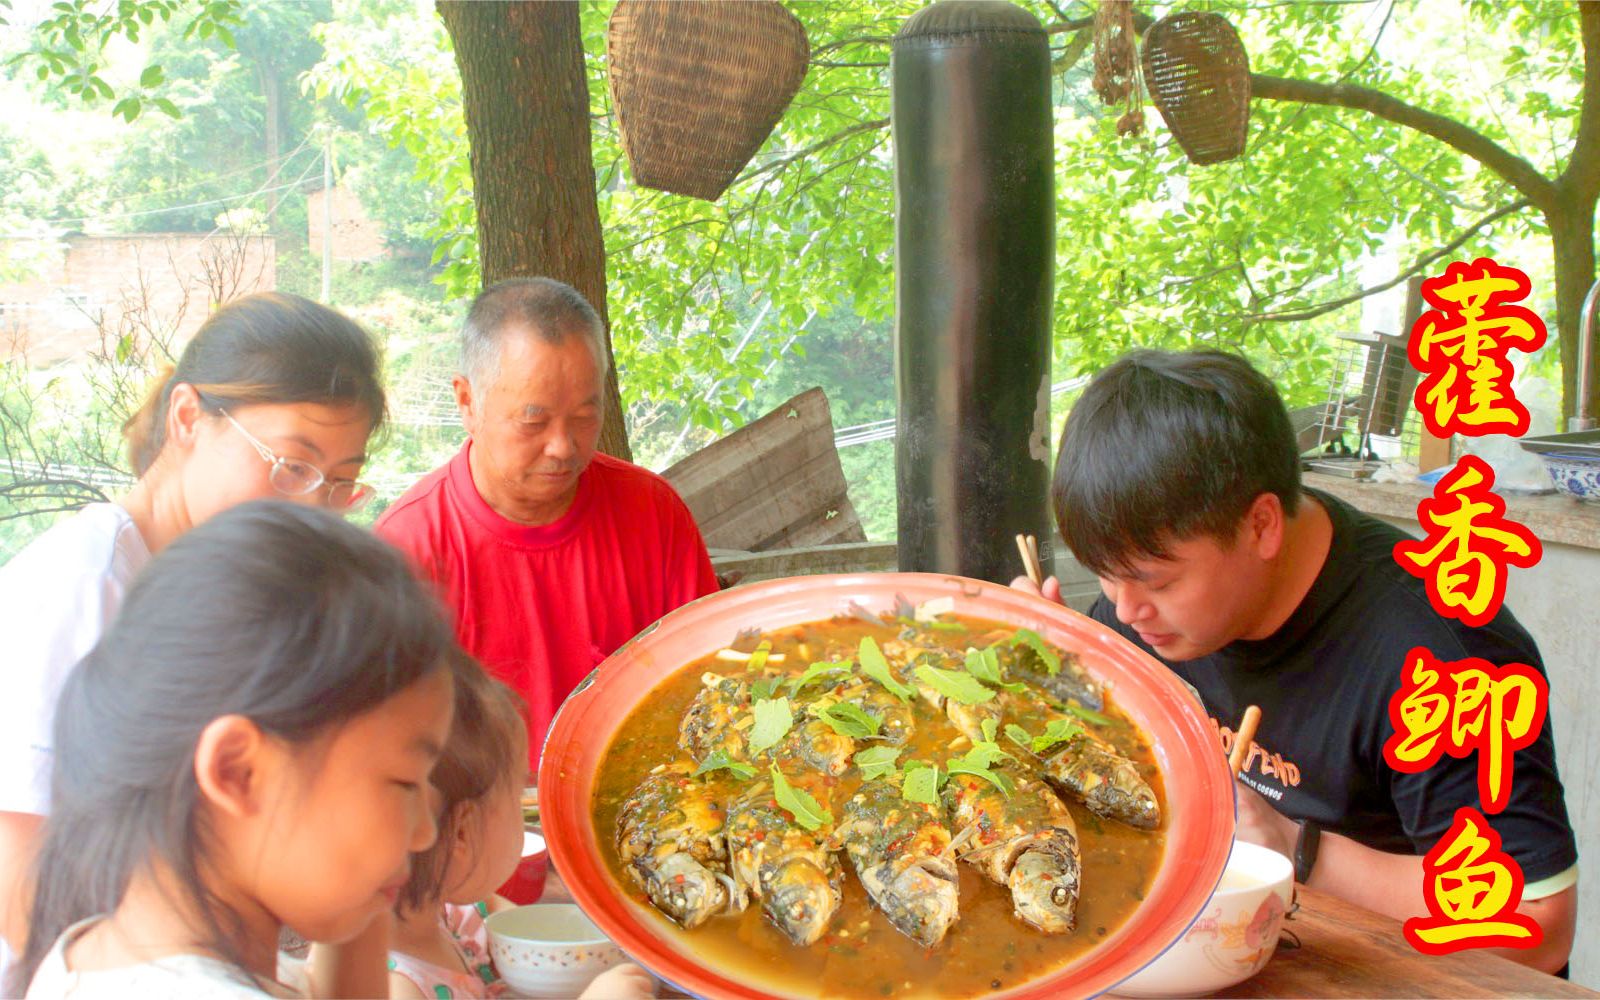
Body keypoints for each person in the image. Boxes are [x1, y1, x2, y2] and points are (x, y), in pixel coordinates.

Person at [1014, 348, 1578, 974]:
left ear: (1260, 525)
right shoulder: (1153, 601)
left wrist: (1295, 846)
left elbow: (1538, 925)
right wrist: (1048, 670)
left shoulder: (1442, 650)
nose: (1124, 612)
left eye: (1156, 583)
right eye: (1107, 579)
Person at [0, 292, 387, 977]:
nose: (312, 506)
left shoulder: (225, 585)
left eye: (339, 483)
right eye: (292, 465)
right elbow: (17, 874)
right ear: (187, 418)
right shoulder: (86, 583)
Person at [10, 501, 465, 998]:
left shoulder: (100, 951)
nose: (425, 832)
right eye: (405, 781)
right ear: (239, 771)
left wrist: (365, 886)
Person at [376, 277, 718, 776]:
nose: (563, 446)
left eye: (584, 415)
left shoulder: (651, 511)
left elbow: (704, 682)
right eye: (533, 422)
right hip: (479, 834)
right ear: (467, 401)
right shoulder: (407, 551)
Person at [337, 661, 653, 1000]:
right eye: (517, 796)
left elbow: (505, 917)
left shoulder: (446, 911)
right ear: (461, 835)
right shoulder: (390, 988)